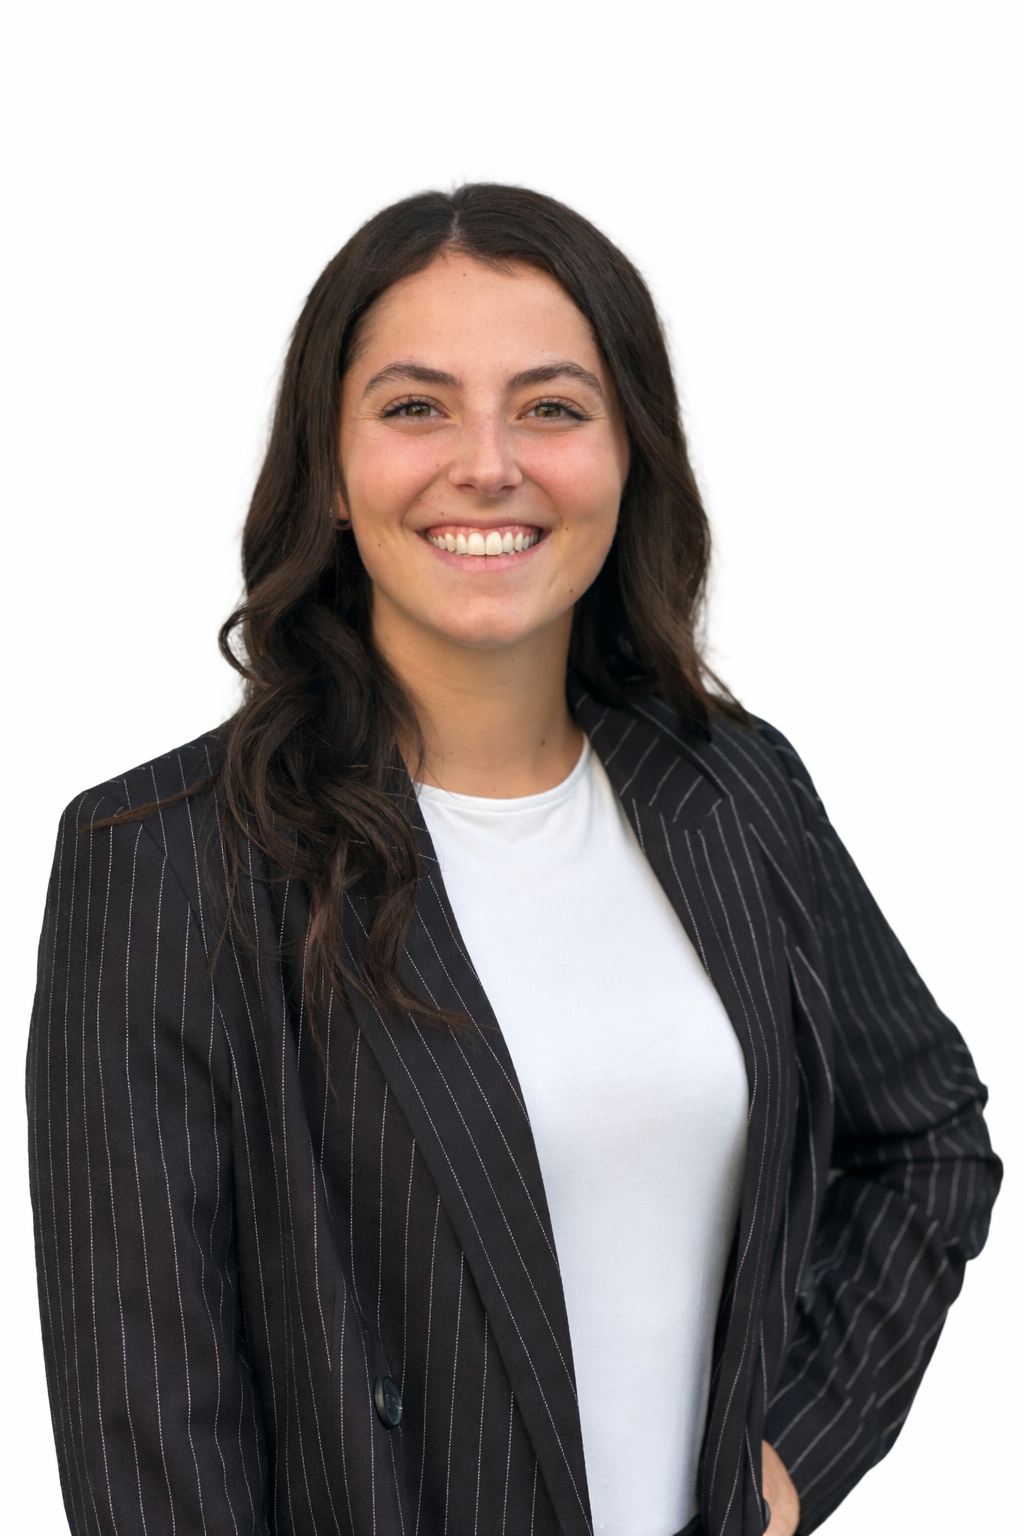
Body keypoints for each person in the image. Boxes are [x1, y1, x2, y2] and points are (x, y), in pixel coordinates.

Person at [27, 184, 999, 1536]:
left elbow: (928, 1143)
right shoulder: (164, 861)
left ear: (629, 455)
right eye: (415, 406)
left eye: (551, 406)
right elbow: (151, 1446)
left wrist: (788, 1464)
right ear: (330, 464)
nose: (488, 464)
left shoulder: (735, 789)